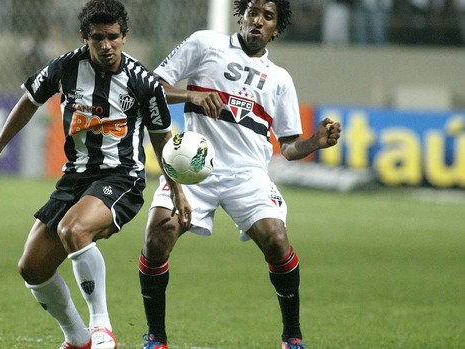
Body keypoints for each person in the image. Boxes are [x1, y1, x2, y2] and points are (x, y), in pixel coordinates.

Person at [0, 1, 191, 349]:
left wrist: (177, 191)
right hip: (74, 180)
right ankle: (77, 338)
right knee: (32, 268)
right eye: (97, 38)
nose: (106, 46)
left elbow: (162, 139)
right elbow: (30, 99)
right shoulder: (65, 67)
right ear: (84, 37)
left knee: (73, 230)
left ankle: (101, 328)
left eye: (113, 37)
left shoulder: (143, 82)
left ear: (125, 36)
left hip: (121, 179)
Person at [138, 1, 341, 349]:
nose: (258, 21)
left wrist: (313, 143)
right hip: (194, 166)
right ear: (241, 16)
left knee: (277, 240)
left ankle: (292, 336)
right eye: (253, 12)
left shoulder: (279, 79)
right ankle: (156, 337)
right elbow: (151, 88)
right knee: (157, 237)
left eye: (267, 16)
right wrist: (192, 94)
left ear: (276, 28)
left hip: (247, 174)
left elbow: (290, 147)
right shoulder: (204, 44)